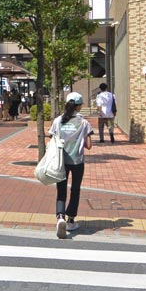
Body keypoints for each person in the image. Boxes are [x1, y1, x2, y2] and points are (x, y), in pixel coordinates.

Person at [49, 92, 93, 239]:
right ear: (79, 106)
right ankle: (71, 220)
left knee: (61, 190)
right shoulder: (84, 123)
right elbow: (88, 146)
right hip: (77, 162)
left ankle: (60, 217)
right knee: (75, 189)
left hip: (61, 161)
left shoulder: (57, 121)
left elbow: (52, 137)